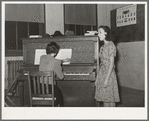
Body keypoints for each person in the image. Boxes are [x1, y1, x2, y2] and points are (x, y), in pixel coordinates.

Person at [95, 26, 120, 107]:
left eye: (100, 32)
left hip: (109, 75)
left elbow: (111, 64)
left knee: (111, 99)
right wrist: (98, 78)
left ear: (106, 33)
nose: (98, 35)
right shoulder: (102, 47)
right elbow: (101, 64)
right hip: (102, 74)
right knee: (104, 98)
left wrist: (106, 79)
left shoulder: (111, 45)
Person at [39, 42, 69, 106]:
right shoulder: (56, 62)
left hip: (40, 87)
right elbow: (61, 77)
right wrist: (62, 72)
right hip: (50, 89)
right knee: (60, 96)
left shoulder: (42, 57)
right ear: (55, 53)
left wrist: (62, 60)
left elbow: (51, 60)